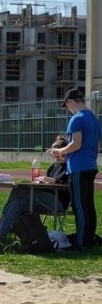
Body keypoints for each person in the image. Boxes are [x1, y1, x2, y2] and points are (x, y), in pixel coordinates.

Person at [0, 136, 70, 241]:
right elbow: (47, 186)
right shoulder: (53, 166)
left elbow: (70, 184)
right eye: (53, 154)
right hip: (45, 199)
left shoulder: (71, 166)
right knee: (17, 203)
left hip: (58, 202)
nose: (55, 157)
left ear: (65, 151)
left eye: (57, 153)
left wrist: (54, 181)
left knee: (19, 190)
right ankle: (0, 233)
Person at [48, 89, 101, 249]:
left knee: (79, 206)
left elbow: (76, 144)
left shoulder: (77, 119)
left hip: (78, 168)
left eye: (67, 106)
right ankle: (88, 238)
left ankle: (82, 242)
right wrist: (70, 154)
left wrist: (60, 151)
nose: (68, 109)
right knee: (88, 205)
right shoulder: (93, 118)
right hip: (91, 165)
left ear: (70, 102)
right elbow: (97, 146)